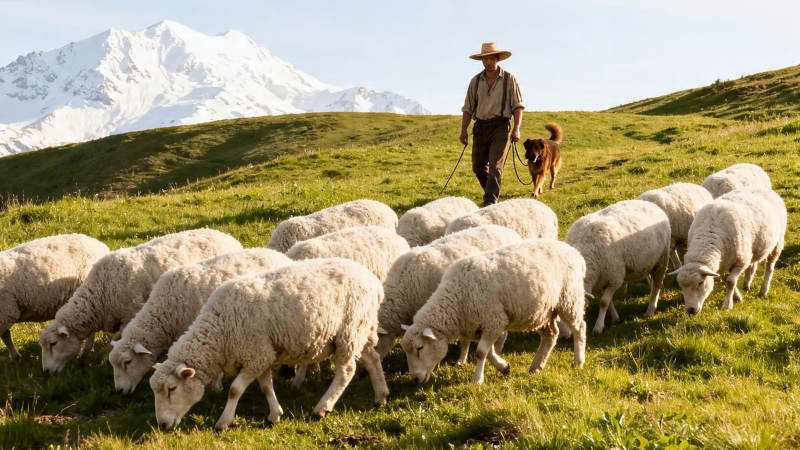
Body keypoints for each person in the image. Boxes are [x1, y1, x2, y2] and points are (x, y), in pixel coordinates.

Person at [460, 42, 524, 206]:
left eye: (490, 58)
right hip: (480, 127)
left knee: (496, 166)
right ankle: (492, 193)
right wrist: (463, 131)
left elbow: (518, 106)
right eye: (484, 59)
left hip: (500, 126)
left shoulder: (509, 79)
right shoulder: (475, 82)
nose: (487, 62)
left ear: (497, 59)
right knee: (478, 167)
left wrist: (516, 129)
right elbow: (468, 108)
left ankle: (490, 203)